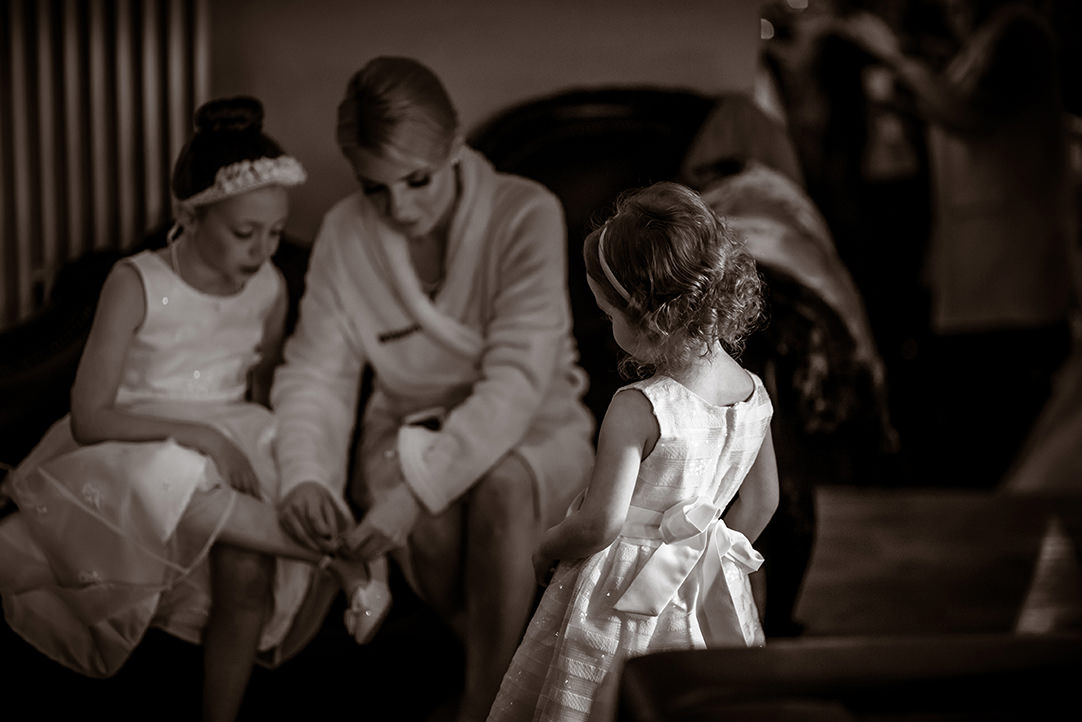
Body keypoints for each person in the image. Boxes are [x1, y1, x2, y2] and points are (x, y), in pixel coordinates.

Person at [0, 96, 383, 722]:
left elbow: (261, 390)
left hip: (232, 430)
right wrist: (203, 437)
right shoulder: (137, 281)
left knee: (247, 562)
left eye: (275, 233)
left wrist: (250, 455)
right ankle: (347, 559)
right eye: (243, 232)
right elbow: (90, 417)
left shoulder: (269, 286)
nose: (263, 250)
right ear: (188, 215)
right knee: (166, 475)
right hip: (134, 438)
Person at [270, 57, 595, 721]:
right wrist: (305, 474)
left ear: (454, 147)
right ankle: (515, 691)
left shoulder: (525, 213)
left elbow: (517, 380)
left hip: (535, 426)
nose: (400, 209)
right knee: (436, 517)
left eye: (416, 180)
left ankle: (483, 704)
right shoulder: (343, 234)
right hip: (404, 428)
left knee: (501, 483)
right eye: (375, 189)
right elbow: (317, 374)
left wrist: (415, 494)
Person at [486, 181, 780, 722]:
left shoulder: (639, 406)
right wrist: (706, 563)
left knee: (601, 701)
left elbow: (601, 522)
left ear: (648, 317)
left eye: (609, 314)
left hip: (618, 597)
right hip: (705, 593)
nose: (609, 327)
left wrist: (548, 546)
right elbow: (760, 504)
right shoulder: (754, 394)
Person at [839, 0, 1078, 487]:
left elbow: (966, 112)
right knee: (978, 406)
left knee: (1001, 409)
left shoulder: (1021, 33)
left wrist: (893, 55)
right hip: (982, 266)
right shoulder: (986, 42)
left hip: (1012, 269)